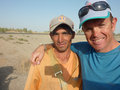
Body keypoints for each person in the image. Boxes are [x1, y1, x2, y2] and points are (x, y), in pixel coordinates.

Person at [24, 15, 82, 90]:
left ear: (73, 35)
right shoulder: (40, 60)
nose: (60, 40)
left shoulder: (79, 60)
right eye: (56, 34)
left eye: (65, 33)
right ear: (51, 36)